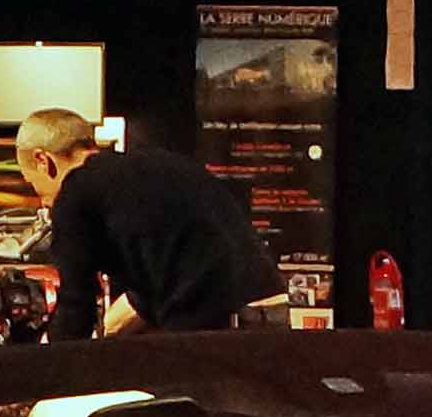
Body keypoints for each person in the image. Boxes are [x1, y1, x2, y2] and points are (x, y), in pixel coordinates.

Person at [20, 106, 271, 336]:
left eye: (33, 185)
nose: (43, 202)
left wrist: (46, 361)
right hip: (267, 309)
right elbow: (173, 266)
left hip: (207, 327)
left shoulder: (74, 192)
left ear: (44, 161)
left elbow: (76, 306)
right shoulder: (162, 166)